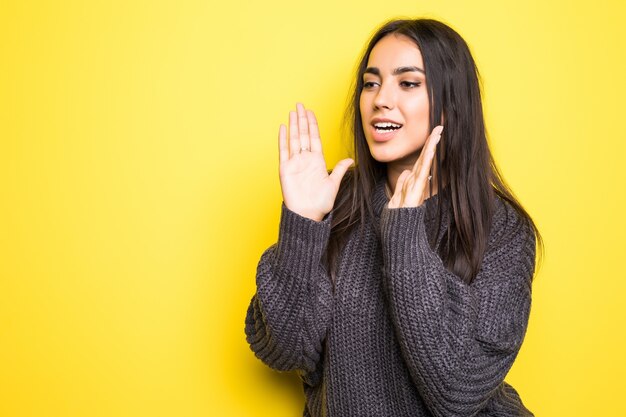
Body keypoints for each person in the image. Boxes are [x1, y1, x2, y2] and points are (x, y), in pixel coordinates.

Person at [244, 18, 543, 417]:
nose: (380, 99)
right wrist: (302, 222)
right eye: (371, 82)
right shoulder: (335, 205)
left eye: (408, 83)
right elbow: (281, 348)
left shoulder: (503, 230)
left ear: (450, 105)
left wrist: (404, 232)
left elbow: (456, 393)